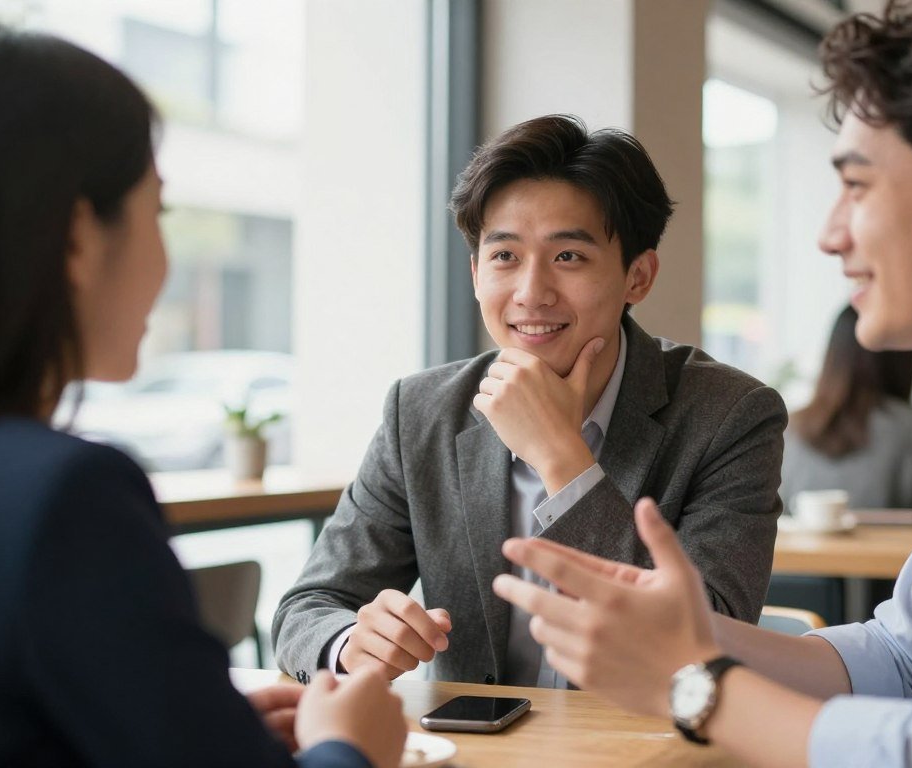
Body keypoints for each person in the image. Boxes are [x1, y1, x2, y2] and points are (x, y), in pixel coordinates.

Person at [493, 0, 912, 765]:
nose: (830, 234)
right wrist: (686, 634)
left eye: (858, 186)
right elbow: (909, 659)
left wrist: (699, 686)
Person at [0, 23, 404, 768]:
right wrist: (351, 750)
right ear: (77, 238)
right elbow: (314, 608)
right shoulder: (60, 498)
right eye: (157, 211)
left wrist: (207, 730)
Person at [274, 114, 786, 688]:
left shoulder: (731, 415)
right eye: (504, 256)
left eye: (568, 257)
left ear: (637, 277)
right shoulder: (420, 412)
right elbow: (307, 608)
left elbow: (708, 639)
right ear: (474, 274)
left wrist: (562, 459)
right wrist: (351, 642)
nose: (531, 293)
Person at [781, 304, 912, 517]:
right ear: (904, 358)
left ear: (833, 355)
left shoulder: (788, 428)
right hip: (897, 552)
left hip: (793, 551)